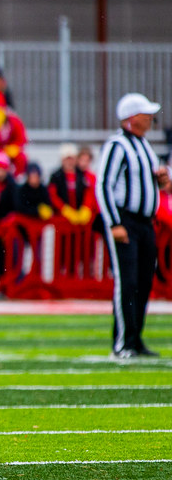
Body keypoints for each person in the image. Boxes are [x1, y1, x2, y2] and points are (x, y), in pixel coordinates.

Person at [95, 93, 170, 359]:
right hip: (125, 220)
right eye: (145, 114)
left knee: (143, 282)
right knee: (126, 282)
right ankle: (122, 343)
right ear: (131, 118)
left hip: (145, 223)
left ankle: (136, 339)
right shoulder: (117, 145)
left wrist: (161, 180)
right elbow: (103, 184)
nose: (150, 118)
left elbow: (156, 184)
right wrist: (114, 222)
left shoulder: (144, 145)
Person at [48, 143, 95, 225]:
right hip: (62, 218)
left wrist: (86, 208)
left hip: (80, 218)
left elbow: (88, 192)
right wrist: (64, 209)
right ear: (62, 160)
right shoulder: (56, 176)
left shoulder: (82, 175)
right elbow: (52, 195)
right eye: (67, 159)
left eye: (72, 159)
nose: (69, 162)